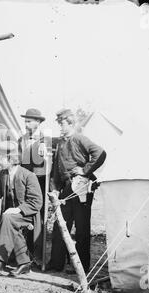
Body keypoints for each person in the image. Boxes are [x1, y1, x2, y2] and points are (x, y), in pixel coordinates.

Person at [47, 108, 106, 274]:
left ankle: (81, 266)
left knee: (81, 230)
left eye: (62, 123)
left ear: (71, 123)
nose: (60, 126)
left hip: (81, 188)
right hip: (65, 189)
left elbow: (100, 153)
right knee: (61, 226)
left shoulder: (79, 138)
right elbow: (57, 170)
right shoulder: (60, 142)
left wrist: (85, 170)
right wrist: (54, 189)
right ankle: (57, 263)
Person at [0, 141, 43, 277]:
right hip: (11, 216)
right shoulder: (4, 174)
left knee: (7, 217)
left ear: (10, 160)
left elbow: (37, 202)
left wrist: (18, 210)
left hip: (27, 214)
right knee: (8, 219)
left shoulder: (28, 175)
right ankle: (24, 263)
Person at [18, 108, 50, 266]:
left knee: (38, 217)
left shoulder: (46, 139)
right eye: (25, 121)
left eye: (29, 121)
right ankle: (24, 253)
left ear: (38, 122)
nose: (26, 123)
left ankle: (38, 255)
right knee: (24, 214)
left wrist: (44, 143)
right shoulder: (21, 139)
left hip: (39, 181)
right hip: (24, 180)